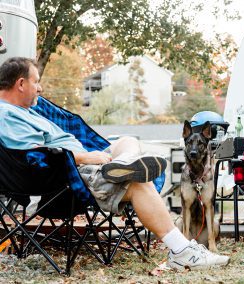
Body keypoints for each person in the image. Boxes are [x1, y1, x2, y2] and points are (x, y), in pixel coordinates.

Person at [0, 57, 229, 269]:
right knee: (138, 183)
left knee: (126, 140)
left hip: (83, 162)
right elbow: (34, 156)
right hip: (67, 175)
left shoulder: (26, 111)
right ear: (21, 84)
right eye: (36, 82)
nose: (39, 88)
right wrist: (85, 157)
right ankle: (182, 251)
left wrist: (92, 155)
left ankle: (121, 165)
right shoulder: (6, 115)